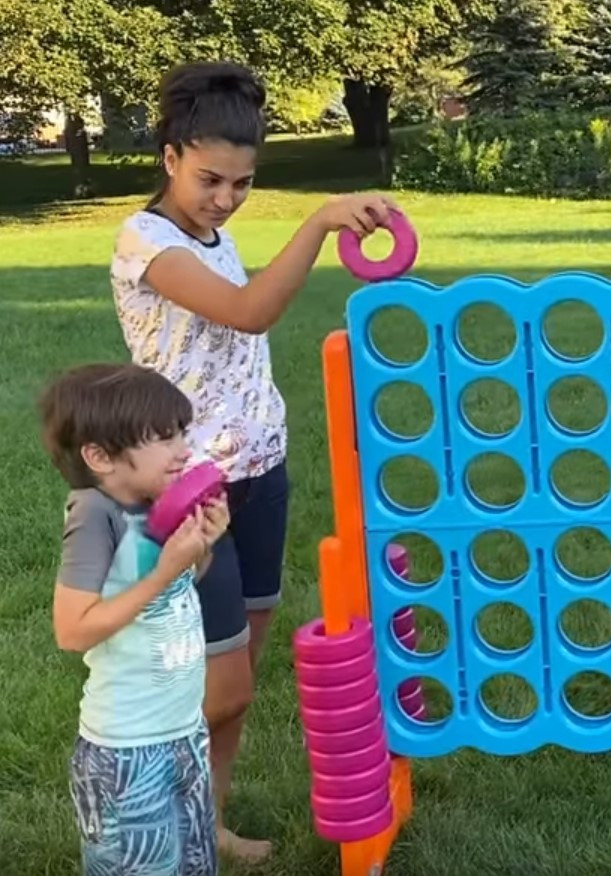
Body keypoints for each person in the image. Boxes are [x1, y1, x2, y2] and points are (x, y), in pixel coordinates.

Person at [109, 60, 397, 862]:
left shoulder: (216, 237)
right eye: (210, 179)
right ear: (170, 156)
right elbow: (248, 313)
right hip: (189, 490)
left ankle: (204, 824)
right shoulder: (146, 242)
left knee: (233, 684)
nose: (225, 198)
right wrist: (319, 223)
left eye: (241, 183)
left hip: (259, 472)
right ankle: (145, 815)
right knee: (221, 684)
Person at [41, 363, 231, 875]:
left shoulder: (152, 505)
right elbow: (72, 629)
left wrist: (199, 549)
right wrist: (165, 570)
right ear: (100, 457)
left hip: (182, 730)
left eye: (182, 434)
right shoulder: (93, 515)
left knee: (195, 865)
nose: (184, 450)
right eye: (165, 438)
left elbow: (171, 590)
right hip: (127, 750)